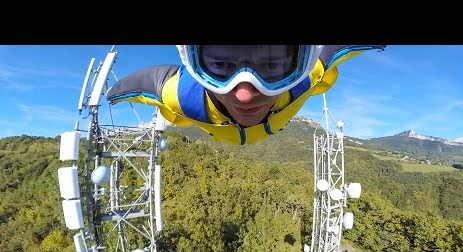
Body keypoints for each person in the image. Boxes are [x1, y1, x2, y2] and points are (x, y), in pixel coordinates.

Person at [106, 45, 386, 145]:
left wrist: (113, 93)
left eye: (273, 65)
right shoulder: (180, 95)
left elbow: (139, 86)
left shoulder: (181, 96)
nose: (244, 94)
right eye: (221, 65)